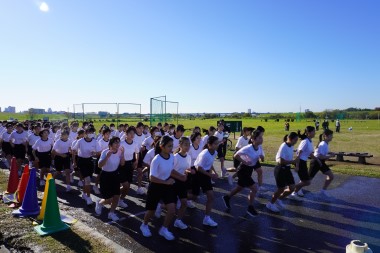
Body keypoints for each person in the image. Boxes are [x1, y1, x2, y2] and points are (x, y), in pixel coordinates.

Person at [140, 136, 186, 241]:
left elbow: (170, 170)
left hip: (167, 186)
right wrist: (166, 182)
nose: (171, 148)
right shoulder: (156, 159)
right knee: (151, 211)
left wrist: (180, 176)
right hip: (155, 186)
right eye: (169, 146)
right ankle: (144, 225)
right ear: (162, 147)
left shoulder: (171, 157)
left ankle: (164, 229)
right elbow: (152, 177)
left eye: (172, 146)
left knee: (172, 209)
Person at [222, 130, 263, 217]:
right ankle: (250, 208)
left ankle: (227, 197)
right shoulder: (248, 148)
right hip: (242, 171)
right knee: (254, 188)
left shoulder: (259, 147)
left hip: (249, 171)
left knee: (239, 188)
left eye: (261, 137)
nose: (261, 139)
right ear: (253, 139)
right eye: (259, 137)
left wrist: (262, 157)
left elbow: (261, 158)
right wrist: (244, 161)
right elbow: (236, 155)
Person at [266, 132, 299, 213]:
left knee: (292, 188)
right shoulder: (283, 146)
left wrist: (295, 165)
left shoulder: (291, 146)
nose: (296, 141)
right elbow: (281, 161)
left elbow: (290, 158)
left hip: (287, 169)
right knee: (281, 189)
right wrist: (293, 161)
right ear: (290, 139)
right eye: (295, 140)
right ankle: (270, 204)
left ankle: (279, 199)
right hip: (280, 169)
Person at [191, 136, 219, 227]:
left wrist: (215, 172)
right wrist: (211, 175)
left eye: (217, 143)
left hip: (206, 175)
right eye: (215, 143)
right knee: (194, 196)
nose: (217, 145)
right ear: (209, 144)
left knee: (211, 197)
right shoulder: (204, 154)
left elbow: (210, 164)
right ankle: (179, 198)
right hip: (198, 174)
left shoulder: (214, 152)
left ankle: (206, 218)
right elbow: (199, 168)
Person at [95, 137, 125, 221]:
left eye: (118, 143)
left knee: (116, 196)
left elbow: (122, 163)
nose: (117, 145)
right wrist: (107, 157)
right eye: (115, 143)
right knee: (108, 200)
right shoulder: (105, 152)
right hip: (105, 176)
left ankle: (111, 213)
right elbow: (100, 165)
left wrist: (122, 154)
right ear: (110, 144)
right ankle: (100, 202)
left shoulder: (120, 151)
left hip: (115, 175)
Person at [289, 126, 321, 200]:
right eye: (313, 131)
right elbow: (298, 154)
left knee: (305, 181)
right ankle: (292, 189)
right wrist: (297, 165)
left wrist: (317, 159)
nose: (314, 133)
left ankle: (294, 192)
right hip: (300, 162)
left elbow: (310, 153)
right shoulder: (305, 141)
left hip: (303, 162)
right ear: (308, 133)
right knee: (307, 182)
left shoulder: (310, 141)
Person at [72, 127, 101, 205]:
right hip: (81, 161)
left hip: (90, 161)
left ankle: (84, 194)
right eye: (89, 132)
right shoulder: (80, 141)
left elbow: (99, 152)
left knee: (87, 180)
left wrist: (94, 153)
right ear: (85, 133)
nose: (91, 134)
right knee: (87, 180)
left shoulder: (95, 141)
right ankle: (88, 197)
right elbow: (73, 150)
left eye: (92, 133)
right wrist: (74, 162)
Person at [172, 137, 192, 230]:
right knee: (172, 205)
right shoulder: (175, 157)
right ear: (180, 145)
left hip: (183, 182)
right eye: (185, 144)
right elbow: (170, 171)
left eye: (189, 144)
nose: (188, 146)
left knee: (184, 203)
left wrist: (188, 172)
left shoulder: (188, 157)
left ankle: (178, 221)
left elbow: (187, 169)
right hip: (173, 182)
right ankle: (160, 206)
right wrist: (180, 176)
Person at [309, 129, 335, 197]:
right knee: (307, 181)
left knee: (331, 176)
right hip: (316, 162)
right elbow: (320, 156)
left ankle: (323, 191)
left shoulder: (325, 143)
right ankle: (296, 190)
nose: (332, 137)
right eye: (331, 135)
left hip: (321, 162)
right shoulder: (323, 144)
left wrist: (329, 153)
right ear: (326, 136)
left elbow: (321, 153)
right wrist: (330, 156)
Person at [135, 122, 148, 195]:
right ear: (136, 128)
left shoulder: (143, 136)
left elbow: (143, 145)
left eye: (142, 128)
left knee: (140, 172)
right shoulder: (133, 135)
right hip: (131, 155)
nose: (141, 129)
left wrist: (143, 148)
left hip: (139, 155)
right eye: (140, 128)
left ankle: (139, 188)